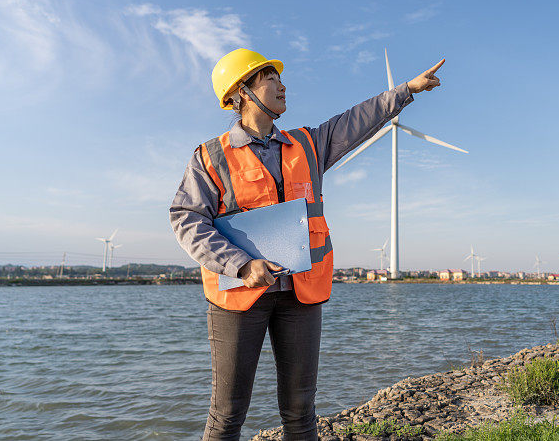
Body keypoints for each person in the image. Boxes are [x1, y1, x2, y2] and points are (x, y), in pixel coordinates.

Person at [169, 48, 445, 441]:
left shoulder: (308, 145)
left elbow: (357, 120)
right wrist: (242, 265)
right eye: (270, 78)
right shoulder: (210, 156)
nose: (283, 85)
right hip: (238, 298)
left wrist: (405, 91)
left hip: (300, 295)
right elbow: (186, 218)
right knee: (227, 415)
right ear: (240, 93)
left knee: (301, 411)